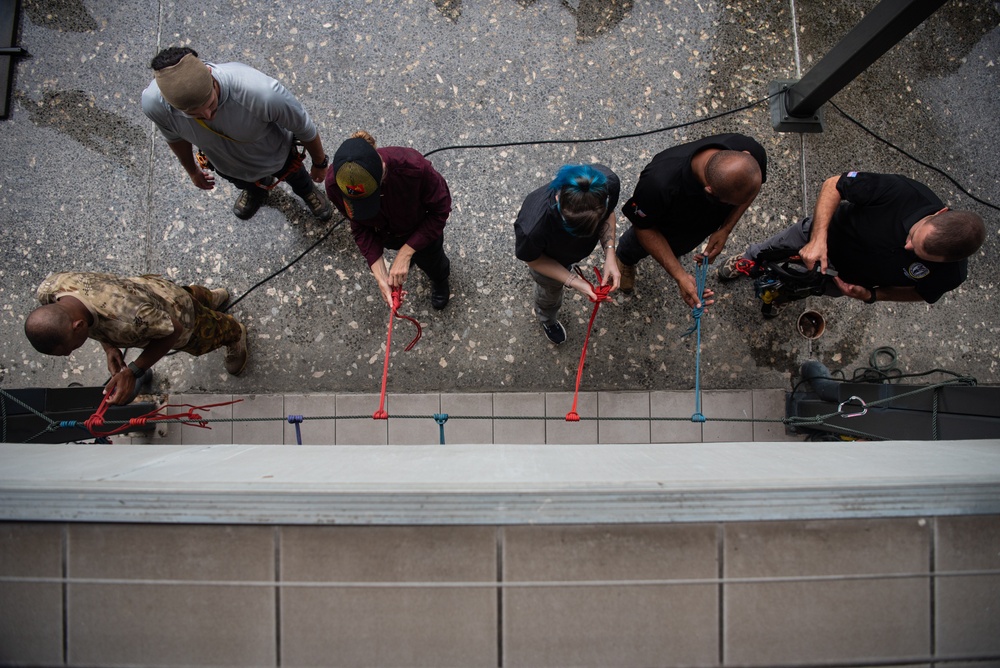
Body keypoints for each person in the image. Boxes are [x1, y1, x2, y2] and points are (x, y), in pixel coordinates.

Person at [718, 171, 986, 305]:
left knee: (803, 289)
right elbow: (834, 184)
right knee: (773, 247)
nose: (907, 246)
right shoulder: (902, 192)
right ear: (939, 213)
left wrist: (872, 295)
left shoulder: (951, 276)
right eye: (913, 237)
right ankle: (746, 261)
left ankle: (780, 296)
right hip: (821, 235)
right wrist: (818, 239)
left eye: (916, 252)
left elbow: (921, 293)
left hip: (844, 278)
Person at [141, 46, 333, 222]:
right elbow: (174, 138)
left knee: (297, 177)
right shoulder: (155, 105)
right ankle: (255, 191)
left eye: (210, 103)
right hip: (226, 165)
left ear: (209, 73)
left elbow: (304, 127)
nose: (207, 115)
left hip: (277, 155)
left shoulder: (262, 93)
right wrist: (192, 171)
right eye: (193, 114)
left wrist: (319, 163)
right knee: (243, 183)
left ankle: (307, 191)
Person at [25, 272, 248, 405]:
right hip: (154, 290)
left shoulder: (131, 317)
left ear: (78, 326)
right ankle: (210, 297)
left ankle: (234, 334)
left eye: (70, 347)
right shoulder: (50, 289)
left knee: (208, 330)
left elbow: (174, 330)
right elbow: (92, 311)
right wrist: (109, 347)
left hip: (178, 314)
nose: (71, 352)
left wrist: (133, 371)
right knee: (189, 294)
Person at [616, 133, 767, 309]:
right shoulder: (658, 183)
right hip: (659, 225)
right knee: (634, 246)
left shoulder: (751, 154)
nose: (741, 206)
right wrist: (679, 275)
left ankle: (673, 251)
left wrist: (725, 229)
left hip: (696, 227)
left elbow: (751, 191)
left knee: (679, 246)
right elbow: (643, 227)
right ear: (710, 191)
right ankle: (625, 259)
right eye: (733, 205)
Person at [326, 132, 452, 309]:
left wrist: (406, 252)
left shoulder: (413, 168)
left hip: (421, 228)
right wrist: (380, 276)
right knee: (407, 255)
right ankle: (411, 259)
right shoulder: (334, 185)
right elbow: (360, 226)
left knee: (433, 261)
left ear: (383, 168)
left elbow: (440, 210)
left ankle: (439, 280)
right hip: (387, 235)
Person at [514, 164, 621, 344]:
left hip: (566, 253)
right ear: (557, 198)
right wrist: (573, 281)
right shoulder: (532, 228)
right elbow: (533, 259)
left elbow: (609, 214)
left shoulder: (607, 183)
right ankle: (547, 318)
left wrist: (610, 255)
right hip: (548, 259)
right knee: (549, 292)